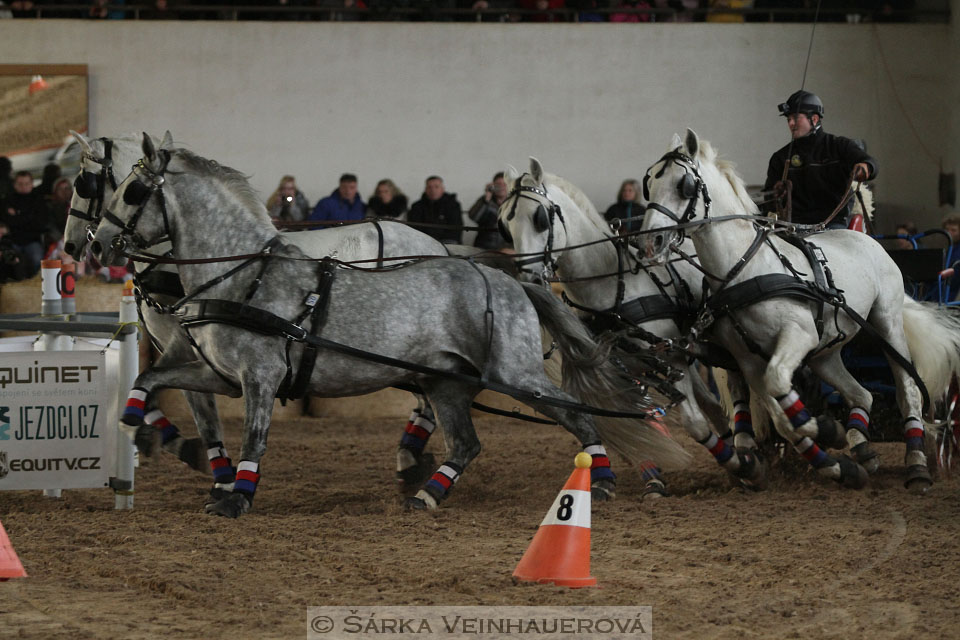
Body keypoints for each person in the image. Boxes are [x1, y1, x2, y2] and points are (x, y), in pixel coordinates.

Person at [763, 90, 877, 228]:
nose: (791, 123)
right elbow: (768, 199)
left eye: (795, 118)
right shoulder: (780, 158)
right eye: (788, 119)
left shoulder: (839, 146)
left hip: (833, 223)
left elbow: (869, 163)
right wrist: (776, 195)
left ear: (814, 119)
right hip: (793, 227)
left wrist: (865, 168)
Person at [0, 170, 54, 276]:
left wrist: (16, 217)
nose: (23, 186)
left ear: (32, 184)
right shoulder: (6, 201)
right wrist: (27, 217)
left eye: (26, 183)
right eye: (20, 184)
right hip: (11, 240)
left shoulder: (39, 201)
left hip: (32, 241)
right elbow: (4, 223)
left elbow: (40, 224)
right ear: (14, 185)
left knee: (36, 258)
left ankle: (34, 282)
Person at [407, 175, 462, 244]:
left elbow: (456, 229)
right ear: (425, 189)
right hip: (423, 242)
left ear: (442, 189)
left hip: (447, 242)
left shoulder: (453, 205)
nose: (433, 190)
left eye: (436, 187)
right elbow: (414, 229)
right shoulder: (416, 206)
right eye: (429, 187)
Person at [467, 171, 509, 250]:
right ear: (493, 185)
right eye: (498, 184)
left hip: (506, 248)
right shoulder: (485, 200)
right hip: (484, 246)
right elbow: (473, 217)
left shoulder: (514, 202)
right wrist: (486, 198)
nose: (502, 187)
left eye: (505, 184)